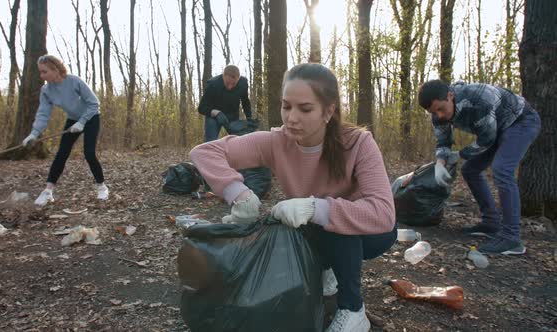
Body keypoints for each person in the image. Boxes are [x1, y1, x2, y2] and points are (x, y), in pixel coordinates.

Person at [190, 63, 396, 332]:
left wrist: (315, 207)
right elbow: (204, 153)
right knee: (290, 229)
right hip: (310, 232)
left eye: (305, 109)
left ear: (328, 111)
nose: (292, 118)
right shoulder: (277, 142)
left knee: (338, 226)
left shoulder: (358, 143)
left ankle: (353, 309)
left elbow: (383, 213)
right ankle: (327, 267)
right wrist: (237, 193)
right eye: (286, 106)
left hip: (366, 233)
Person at [418, 80, 541, 255]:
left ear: (450, 96)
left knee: (502, 170)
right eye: (433, 112)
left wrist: (458, 155)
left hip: (521, 121)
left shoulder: (478, 100)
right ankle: (491, 223)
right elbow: (443, 141)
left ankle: (512, 238)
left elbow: (486, 140)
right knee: (470, 169)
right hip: (496, 128)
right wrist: (440, 162)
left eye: (441, 109)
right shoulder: (437, 114)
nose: (439, 115)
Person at [22, 54, 108, 206]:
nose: (42, 75)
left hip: (91, 117)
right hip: (73, 119)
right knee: (62, 153)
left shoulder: (74, 81)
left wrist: (82, 122)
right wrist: (34, 134)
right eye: (40, 72)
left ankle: (102, 187)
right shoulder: (46, 90)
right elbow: (43, 114)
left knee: (89, 153)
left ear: (55, 69)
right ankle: (48, 191)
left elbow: (94, 103)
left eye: (44, 71)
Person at [198, 65, 252, 142]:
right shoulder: (212, 84)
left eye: (233, 84)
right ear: (223, 76)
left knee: (238, 142)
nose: (230, 87)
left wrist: (249, 119)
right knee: (211, 142)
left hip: (232, 116)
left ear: (238, 79)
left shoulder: (243, 83)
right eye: (227, 83)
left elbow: (245, 102)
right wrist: (215, 112)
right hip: (214, 116)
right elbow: (201, 108)